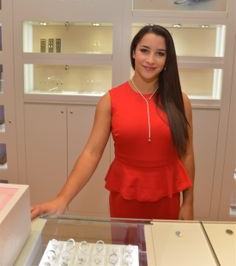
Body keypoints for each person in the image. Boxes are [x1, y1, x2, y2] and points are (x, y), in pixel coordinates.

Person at [31, 24, 195, 220]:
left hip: (167, 199)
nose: (151, 60)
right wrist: (62, 198)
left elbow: (187, 154)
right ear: (133, 52)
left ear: (167, 59)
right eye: (144, 51)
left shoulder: (180, 100)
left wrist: (188, 203)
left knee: (165, 250)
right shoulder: (111, 100)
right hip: (125, 199)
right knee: (125, 249)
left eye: (160, 53)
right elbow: (91, 153)